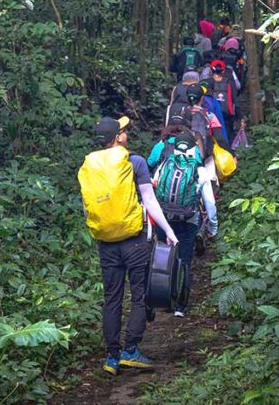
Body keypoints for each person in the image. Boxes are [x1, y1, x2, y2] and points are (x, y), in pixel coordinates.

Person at [79, 116, 178, 376]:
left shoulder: (90, 166)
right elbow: (150, 201)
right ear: (118, 138)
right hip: (135, 239)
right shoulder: (135, 162)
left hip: (106, 242)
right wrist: (168, 231)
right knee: (138, 294)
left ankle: (111, 356)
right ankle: (130, 350)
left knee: (111, 298)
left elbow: (89, 206)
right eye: (123, 131)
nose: (126, 133)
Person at [147, 128, 218, 318]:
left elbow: (153, 189)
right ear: (193, 149)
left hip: (165, 220)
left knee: (164, 257)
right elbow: (209, 203)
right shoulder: (200, 170)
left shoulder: (163, 165)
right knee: (184, 261)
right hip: (189, 221)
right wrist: (212, 227)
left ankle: (164, 298)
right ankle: (180, 306)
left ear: (175, 147)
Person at [205, 59, 244, 141]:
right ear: (223, 71)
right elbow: (235, 100)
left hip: (212, 115)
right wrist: (241, 118)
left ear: (211, 70)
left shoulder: (207, 83)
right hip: (227, 114)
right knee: (228, 136)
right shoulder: (229, 82)